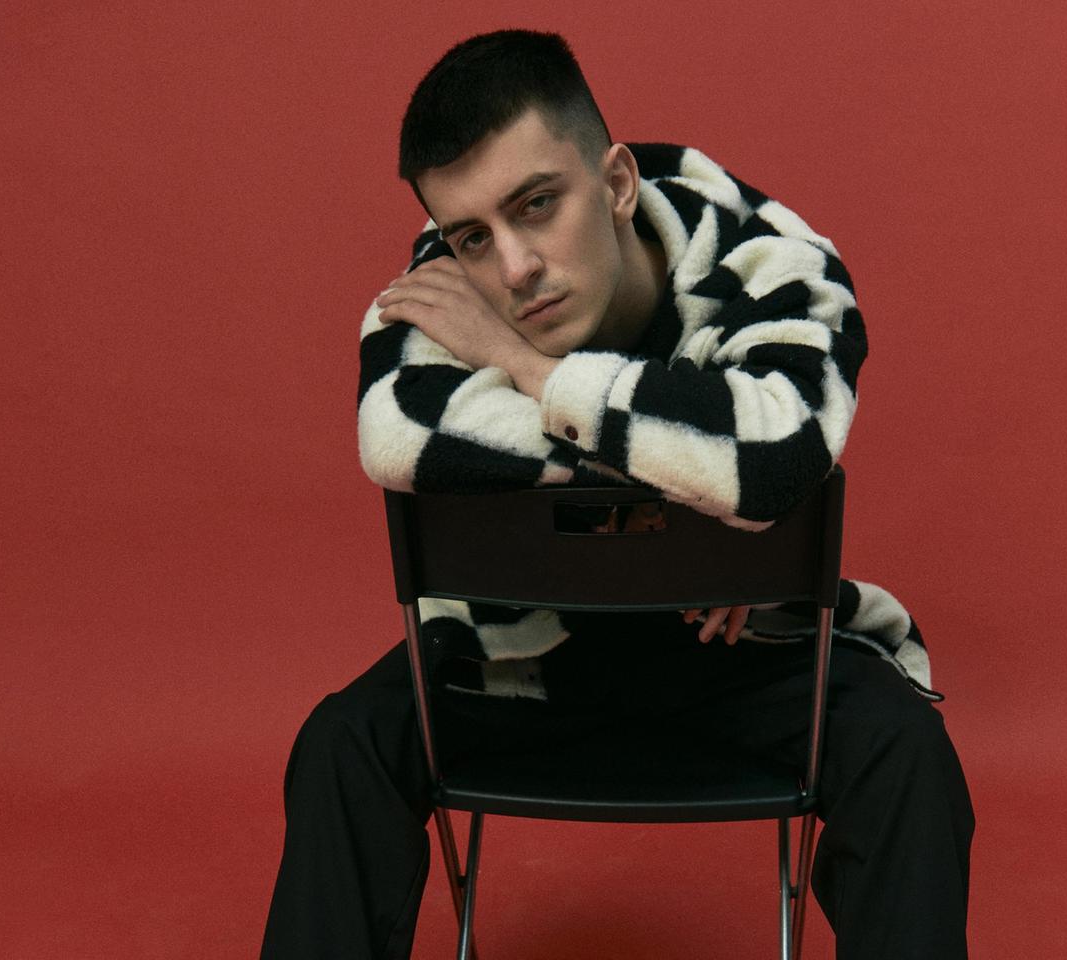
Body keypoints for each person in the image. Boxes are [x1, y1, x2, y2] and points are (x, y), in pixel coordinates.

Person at [261, 30, 973, 960]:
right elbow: (400, 437)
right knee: (340, 745)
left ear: (618, 184)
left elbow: (774, 451)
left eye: (537, 205)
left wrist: (521, 367)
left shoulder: (769, 260)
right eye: (473, 236)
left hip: (742, 648)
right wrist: (708, 496)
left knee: (907, 757)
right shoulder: (438, 290)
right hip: (524, 651)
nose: (514, 268)